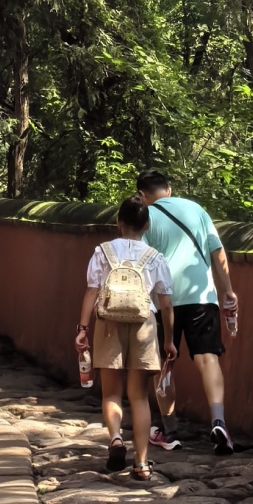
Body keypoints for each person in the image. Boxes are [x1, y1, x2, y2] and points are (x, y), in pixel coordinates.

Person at [137, 167, 240, 455]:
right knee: (208, 359)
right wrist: (228, 290)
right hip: (202, 296)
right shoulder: (196, 210)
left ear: (143, 196)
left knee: (163, 364)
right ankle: (219, 421)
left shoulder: (147, 216)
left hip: (163, 300)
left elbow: (142, 260)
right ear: (168, 189)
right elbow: (217, 252)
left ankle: (169, 431)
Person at [76, 195, 176, 482]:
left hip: (108, 323)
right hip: (144, 325)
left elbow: (91, 291)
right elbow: (166, 304)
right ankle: (142, 464)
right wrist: (168, 340)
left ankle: (116, 439)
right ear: (146, 226)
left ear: (119, 222)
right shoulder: (155, 257)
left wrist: (82, 329)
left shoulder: (103, 252)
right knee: (140, 397)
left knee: (111, 393)